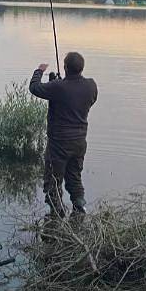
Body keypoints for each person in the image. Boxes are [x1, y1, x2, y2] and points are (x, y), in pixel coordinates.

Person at [29, 51, 98, 216]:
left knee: (53, 179)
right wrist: (59, 86)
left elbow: (34, 88)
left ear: (65, 67)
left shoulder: (59, 87)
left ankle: (56, 212)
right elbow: (82, 99)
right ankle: (79, 207)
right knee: (74, 176)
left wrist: (39, 71)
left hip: (59, 144)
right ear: (81, 68)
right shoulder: (91, 85)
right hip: (80, 142)